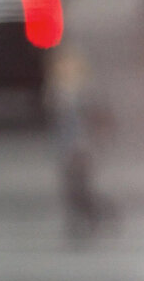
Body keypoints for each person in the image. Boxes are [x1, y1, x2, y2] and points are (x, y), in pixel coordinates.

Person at [48, 49, 115, 240]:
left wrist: (97, 142)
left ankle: (98, 215)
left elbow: (101, 119)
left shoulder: (86, 94)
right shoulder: (58, 93)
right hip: (66, 149)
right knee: (71, 190)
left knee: (80, 189)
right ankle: (83, 221)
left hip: (82, 149)